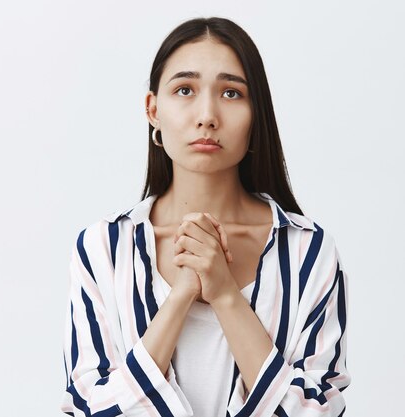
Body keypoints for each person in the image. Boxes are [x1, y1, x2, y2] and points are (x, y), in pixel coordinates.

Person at [61, 16, 350, 417]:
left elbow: (318, 412)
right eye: (184, 90)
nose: (207, 116)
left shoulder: (308, 252)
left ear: (256, 113)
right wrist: (180, 296)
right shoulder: (103, 249)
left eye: (232, 93)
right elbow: (89, 409)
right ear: (153, 109)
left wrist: (225, 293)